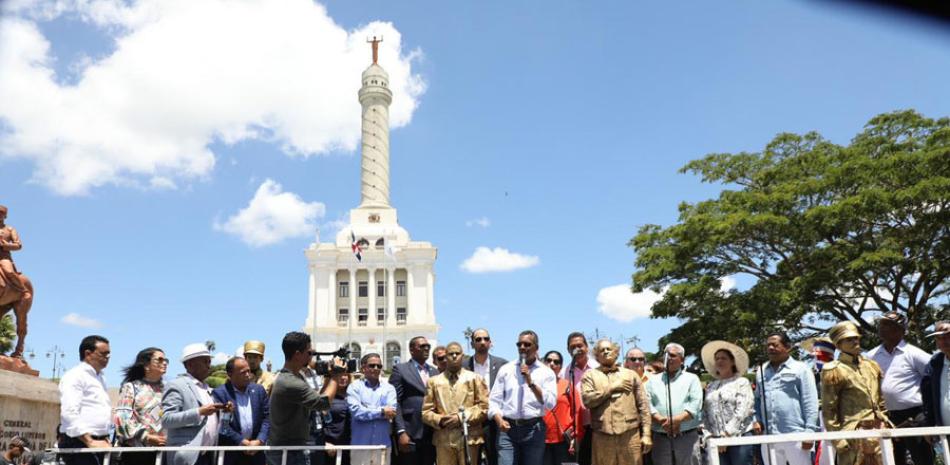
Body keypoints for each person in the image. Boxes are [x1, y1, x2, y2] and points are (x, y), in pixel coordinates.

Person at [866, 311, 933, 465]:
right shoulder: (871, 356)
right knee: (893, 459)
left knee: (922, 458)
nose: (881, 328)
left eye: (887, 324)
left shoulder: (914, 354)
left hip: (915, 415)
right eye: (881, 324)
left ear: (900, 330)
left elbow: (933, 378)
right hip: (887, 416)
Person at [821, 321, 890, 465]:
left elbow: (880, 400)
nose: (855, 341)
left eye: (856, 338)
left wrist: (885, 421)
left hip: (878, 430)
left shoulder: (871, 365)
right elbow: (829, 410)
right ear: (838, 344)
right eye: (849, 339)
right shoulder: (833, 369)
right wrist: (838, 440)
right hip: (853, 434)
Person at [269, 331, 340, 465]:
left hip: (293, 448)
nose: (312, 357)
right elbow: (323, 403)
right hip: (286, 451)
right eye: (309, 353)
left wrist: (329, 376)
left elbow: (317, 399)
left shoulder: (296, 377)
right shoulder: (289, 382)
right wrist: (336, 375)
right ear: (297, 355)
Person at [488, 330, 557, 465]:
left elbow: (550, 403)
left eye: (527, 344)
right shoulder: (506, 370)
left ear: (536, 348)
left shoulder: (546, 372)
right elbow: (494, 400)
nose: (522, 347)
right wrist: (498, 419)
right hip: (507, 430)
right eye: (519, 344)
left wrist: (531, 383)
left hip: (533, 430)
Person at [581, 339, 652, 465]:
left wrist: (646, 434)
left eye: (609, 349)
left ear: (616, 353)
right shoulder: (590, 375)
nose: (606, 352)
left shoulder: (631, 375)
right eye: (602, 350)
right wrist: (612, 388)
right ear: (596, 356)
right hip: (602, 436)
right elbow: (587, 401)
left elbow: (643, 406)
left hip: (630, 435)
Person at [753, 332, 819, 465]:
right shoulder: (761, 371)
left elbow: (810, 401)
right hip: (769, 436)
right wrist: (757, 420)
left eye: (775, 345)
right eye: (768, 345)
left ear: (787, 347)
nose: (770, 348)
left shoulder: (801, 369)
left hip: (797, 434)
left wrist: (809, 433)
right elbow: (757, 400)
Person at [422, 341, 489, 465]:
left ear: (462, 356)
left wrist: (460, 418)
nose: (454, 356)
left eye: (457, 353)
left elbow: (484, 408)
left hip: (469, 438)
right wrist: (439, 420)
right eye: (450, 353)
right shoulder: (434, 382)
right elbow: (426, 412)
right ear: (445, 356)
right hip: (443, 439)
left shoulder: (475, 378)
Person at [163, 343, 231, 465]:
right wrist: (199, 412)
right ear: (190, 364)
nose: (209, 366)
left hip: (209, 456)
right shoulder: (177, 385)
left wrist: (224, 411)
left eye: (209, 361)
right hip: (188, 457)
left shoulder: (208, 389)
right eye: (205, 361)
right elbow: (167, 420)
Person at [58, 335, 112, 465]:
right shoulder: (75, 376)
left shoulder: (100, 378)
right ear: (88, 354)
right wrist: (90, 441)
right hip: (80, 442)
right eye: (103, 354)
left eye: (109, 354)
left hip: (99, 443)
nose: (108, 358)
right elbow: (69, 412)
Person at [645, 343, 702, 465]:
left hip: (686, 437)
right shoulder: (652, 381)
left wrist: (676, 420)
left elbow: (695, 404)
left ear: (682, 360)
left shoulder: (692, 379)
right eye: (666, 354)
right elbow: (646, 403)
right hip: (661, 437)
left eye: (672, 355)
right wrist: (661, 420)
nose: (668, 358)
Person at [700, 341, 753, 465]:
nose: (719, 361)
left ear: (732, 362)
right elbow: (705, 412)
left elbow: (743, 410)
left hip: (739, 437)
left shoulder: (741, 382)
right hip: (716, 440)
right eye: (717, 358)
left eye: (723, 358)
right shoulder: (712, 386)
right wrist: (709, 435)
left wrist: (727, 435)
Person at [114, 347, 168, 465]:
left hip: (165, 451)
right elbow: (121, 419)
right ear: (146, 365)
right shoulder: (131, 387)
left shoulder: (168, 390)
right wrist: (146, 436)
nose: (164, 363)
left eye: (166, 360)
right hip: (137, 452)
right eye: (159, 359)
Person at [212, 357, 271, 465]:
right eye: (243, 372)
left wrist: (259, 441)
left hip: (256, 453)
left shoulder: (259, 391)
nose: (248, 375)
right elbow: (221, 424)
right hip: (232, 454)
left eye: (248, 371)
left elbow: (267, 418)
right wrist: (240, 441)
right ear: (230, 374)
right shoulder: (220, 394)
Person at [391, 337, 438, 465]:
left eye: (428, 346)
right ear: (412, 350)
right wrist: (401, 431)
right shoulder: (400, 369)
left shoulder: (435, 371)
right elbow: (395, 402)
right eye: (422, 346)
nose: (426, 348)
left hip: (432, 434)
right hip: (410, 432)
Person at [464, 329, 508, 465]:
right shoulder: (463, 367)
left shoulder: (503, 365)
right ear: (472, 344)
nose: (482, 342)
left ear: (490, 342)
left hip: (495, 421)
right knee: (471, 461)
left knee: (495, 458)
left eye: (485, 339)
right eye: (478, 339)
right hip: (472, 422)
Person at [347, 353, 398, 465]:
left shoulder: (389, 389)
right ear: (363, 368)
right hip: (360, 446)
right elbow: (357, 412)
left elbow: (392, 412)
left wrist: (367, 409)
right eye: (372, 365)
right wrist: (381, 411)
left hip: (382, 446)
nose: (376, 368)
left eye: (379, 366)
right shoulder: (354, 387)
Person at [561, 332, 598, 465]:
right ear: (568, 350)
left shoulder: (598, 367)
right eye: (573, 347)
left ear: (587, 347)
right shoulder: (565, 372)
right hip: (578, 427)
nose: (577, 349)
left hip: (598, 424)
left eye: (580, 345)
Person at [541, 351, 575, 465]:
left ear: (560, 366)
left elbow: (577, 411)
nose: (552, 364)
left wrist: (575, 435)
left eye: (556, 362)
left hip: (563, 440)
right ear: (543, 363)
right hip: (540, 440)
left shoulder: (567, 385)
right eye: (549, 360)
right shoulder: (534, 385)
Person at [922, 321, 950, 427]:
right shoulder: (935, 363)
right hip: (944, 432)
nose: (944, 341)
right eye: (940, 338)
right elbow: (928, 396)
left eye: (948, 336)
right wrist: (929, 424)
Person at [324, 372, 353, 465]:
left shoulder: (354, 395)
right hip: (331, 447)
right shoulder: (326, 396)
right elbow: (318, 421)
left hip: (351, 446)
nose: (343, 377)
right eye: (340, 374)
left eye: (346, 374)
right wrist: (324, 443)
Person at [0, 205, 27, 295]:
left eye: (2, 213)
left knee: (9, 271)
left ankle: (23, 291)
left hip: (3, 257)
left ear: (5, 216)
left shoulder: (10, 229)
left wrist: (6, 245)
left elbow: (18, 245)